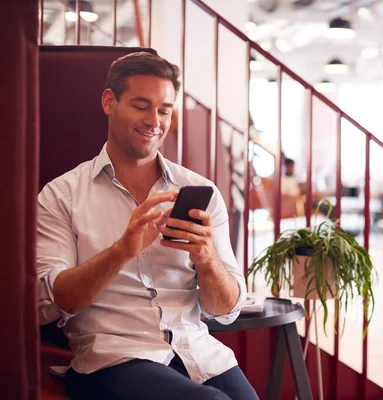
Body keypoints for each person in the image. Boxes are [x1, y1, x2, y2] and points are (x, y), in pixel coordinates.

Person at [36, 51, 259, 400]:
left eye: (164, 110)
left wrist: (206, 258)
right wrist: (123, 249)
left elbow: (226, 310)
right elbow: (50, 304)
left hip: (198, 353)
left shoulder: (201, 192)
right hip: (111, 359)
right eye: (141, 106)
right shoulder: (61, 195)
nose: (154, 120)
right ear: (109, 102)